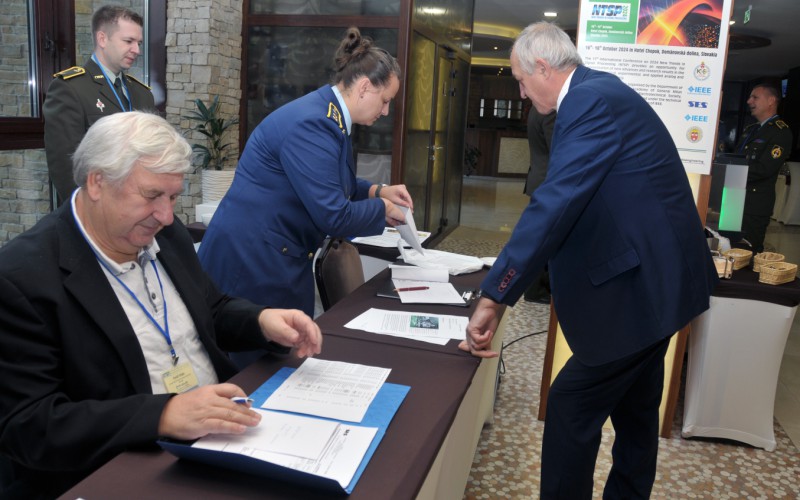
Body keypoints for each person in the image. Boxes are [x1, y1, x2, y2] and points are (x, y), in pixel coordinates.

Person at [0, 111, 323, 499]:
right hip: (125, 464)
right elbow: (31, 426)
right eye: (152, 195)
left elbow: (210, 310)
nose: (167, 215)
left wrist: (261, 320)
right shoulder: (22, 276)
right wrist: (164, 415)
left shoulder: (168, 238)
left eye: (173, 197)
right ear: (97, 182)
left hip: (220, 435)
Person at [459, 22, 718, 499]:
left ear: (542, 66)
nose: (519, 92)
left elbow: (556, 201)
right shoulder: (600, 92)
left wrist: (496, 294)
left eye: (520, 79)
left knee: (570, 405)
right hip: (659, 287)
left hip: (642, 292)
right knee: (637, 412)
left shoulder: (589, 100)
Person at [198, 27, 413, 321]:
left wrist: (377, 191)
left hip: (276, 255)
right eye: (385, 100)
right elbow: (333, 215)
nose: (386, 111)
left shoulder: (328, 114)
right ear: (364, 88)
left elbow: (332, 183)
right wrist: (382, 209)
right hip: (251, 263)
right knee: (254, 363)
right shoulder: (314, 124)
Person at [43, 4, 155, 206]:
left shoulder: (142, 94)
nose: (137, 50)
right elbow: (65, 166)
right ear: (102, 39)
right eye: (128, 41)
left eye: (139, 42)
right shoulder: (70, 89)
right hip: (96, 212)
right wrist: (90, 215)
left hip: (138, 208)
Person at [734, 83, 792, 253]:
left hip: (754, 205)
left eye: (755, 97)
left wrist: (732, 172)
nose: (748, 101)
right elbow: (737, 159)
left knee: (748, 250)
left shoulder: (780, 132)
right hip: (734, 198)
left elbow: (764, 168)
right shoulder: (751, 130)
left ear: (771, 101)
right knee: (730, 246)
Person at [522, 106, 556, 304]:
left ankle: (537, 289)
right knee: (542, 241)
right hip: (547, 182)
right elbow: (556, 149)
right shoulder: (550, 111)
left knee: (541, 238)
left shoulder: (537, 108)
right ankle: (535, 290)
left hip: (540, 180)